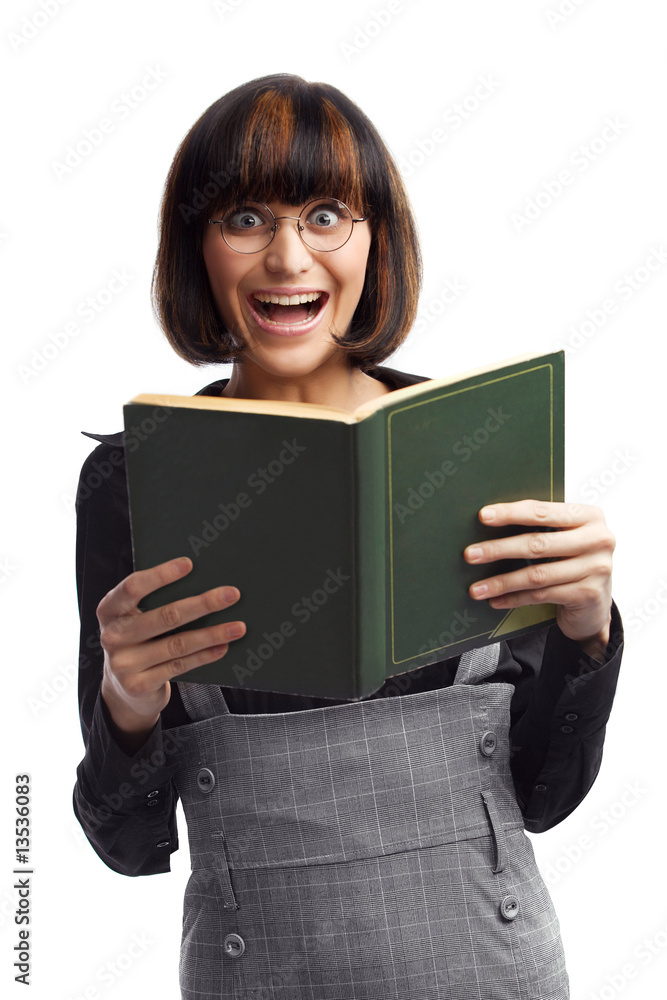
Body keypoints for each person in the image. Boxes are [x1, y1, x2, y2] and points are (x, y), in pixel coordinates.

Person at [73, 73, 622, 999]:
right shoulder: (132, 484)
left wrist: (588, 632)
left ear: (377, 242)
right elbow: (129, 844)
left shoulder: (478, 443)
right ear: (195, 248)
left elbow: (542, 796)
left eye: (327, 215)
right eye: (244, 217)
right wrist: (125, 699)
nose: (289, 258)